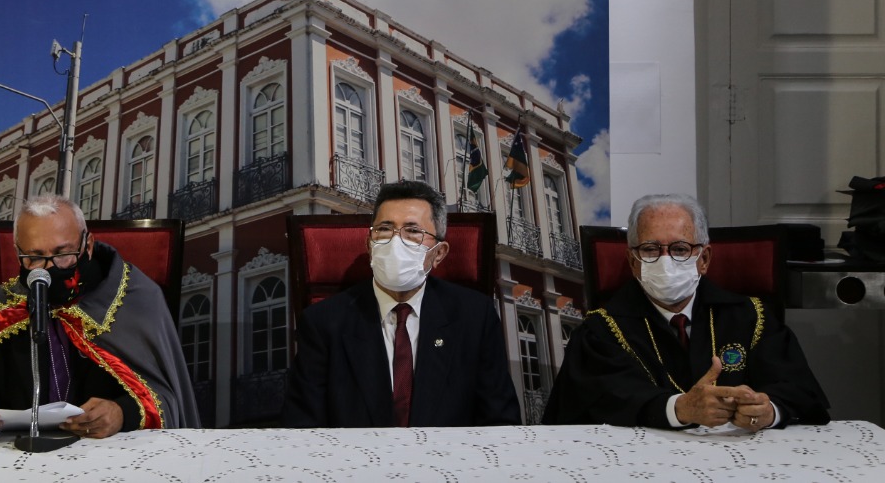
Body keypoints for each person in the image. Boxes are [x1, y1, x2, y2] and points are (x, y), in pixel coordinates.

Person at [543, 193, 830, 430]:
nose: (665, 260)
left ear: (704, 259)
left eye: (680, 249)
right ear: (632, 262)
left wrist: (768, 411)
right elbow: (599, 402)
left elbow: (799, 390)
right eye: (650, 249)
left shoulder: (751, 317)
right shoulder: (601, 331)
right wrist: (679, 409)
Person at [0, 195, 199, 442]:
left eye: (63, 254)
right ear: (18, 253)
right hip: (15, 456)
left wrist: (122, 412)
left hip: (111, 454)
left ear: (88, 245)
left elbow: (167, 399)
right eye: (35, 257)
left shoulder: (136, 299)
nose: (49, 269)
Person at [283, 180, 522, 427]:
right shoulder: (323, 322)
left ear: (439, 253)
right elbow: (302, 428)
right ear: (369, 245)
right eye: (384, 229)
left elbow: (501, 422)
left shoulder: (475, 317)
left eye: (413, 231)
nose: (395, 242)